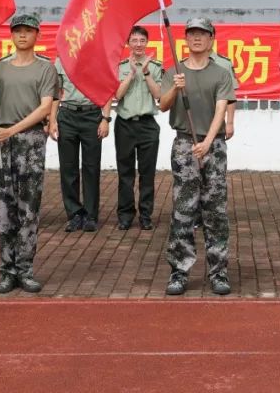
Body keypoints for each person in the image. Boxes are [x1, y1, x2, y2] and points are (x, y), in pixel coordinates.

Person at [0, 12, 58, 295]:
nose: (22, 35)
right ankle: (7, 270)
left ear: (37, 35)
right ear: (11, 35)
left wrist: (13, 132)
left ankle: (25, 268)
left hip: (31, 140)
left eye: (28, 30)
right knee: (4, 208)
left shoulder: (46, 69)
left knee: (29, 208)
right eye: (17, 31)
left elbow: (45, 107)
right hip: (4, 143)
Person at [159, 17, 235, 296]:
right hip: (183, 146)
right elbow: (163, 106)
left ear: (211, 39)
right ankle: (179, 271)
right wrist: (174, 88)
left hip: (212, 147)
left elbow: (221, 109)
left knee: (215, 209)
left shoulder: (221, 73)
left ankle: (219, 271)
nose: (197, 38)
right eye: (192, 34)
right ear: (185, 39)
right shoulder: (174, 72)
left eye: (202, 34)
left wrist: (209, 141)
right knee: (183, 210)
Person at [49, 58, 111, 233]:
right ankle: (74, 214)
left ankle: (91, 215)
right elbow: (56, 93)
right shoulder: (61, 60)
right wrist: (52, 120)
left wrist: (105, 119)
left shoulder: (98, 57)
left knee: (91, 167)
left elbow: (107, 90)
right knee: (68, 168)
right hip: (67, 115)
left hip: (92, 115)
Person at [113, 25, 163, 231]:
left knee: (147, 173)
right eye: (134, 40)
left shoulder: (156, 66)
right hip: (125, 124)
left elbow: (159, 94)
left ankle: (145, 215)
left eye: (142, 40)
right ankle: (125, 215)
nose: (138, 44)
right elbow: (117, 95)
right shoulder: (120, 66)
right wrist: (132, 74)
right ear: (128, 44)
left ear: (147, 43)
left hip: (147, 125)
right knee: (125, 173)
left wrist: (146, 72)